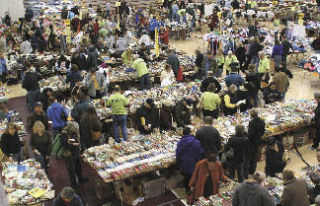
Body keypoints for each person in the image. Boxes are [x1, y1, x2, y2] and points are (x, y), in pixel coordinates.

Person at [60, 121, 88, 189]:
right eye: (75, 130)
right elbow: (63, 144)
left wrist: (83, 148)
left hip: (76, 152)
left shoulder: (74, 131)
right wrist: (73, 145)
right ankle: (74, 184)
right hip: (69, 154)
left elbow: (79, 140)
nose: (76, 131)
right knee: (71, 170)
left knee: (78, 166)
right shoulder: (64, 133)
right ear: (71, 128)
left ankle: (80, 179)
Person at [176, 127, 204, 192]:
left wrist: (179, 165)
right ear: (190, 132)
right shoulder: (196, 142)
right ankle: (196, 193)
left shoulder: (180, 143)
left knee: (187, 180)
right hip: (195, 165)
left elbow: (178, 155)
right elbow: (201, 152)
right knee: (195, 179)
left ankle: (188, 193)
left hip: (185, 166)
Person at [245, 109, 265, 177]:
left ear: (251, 115)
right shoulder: (262, 121)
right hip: (258, 141)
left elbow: (250, 134)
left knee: (248, 158)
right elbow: (263, 132)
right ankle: (252, 171)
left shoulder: (252, 123)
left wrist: (246, 133)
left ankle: (247, 172)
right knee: (255, 157)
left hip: (251, 143)